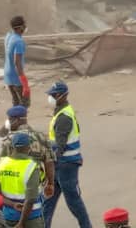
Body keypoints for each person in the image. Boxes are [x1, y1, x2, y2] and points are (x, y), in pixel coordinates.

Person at [43, 81, 92, 228]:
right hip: (61, 163)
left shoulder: (64, 117)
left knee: (73, 201)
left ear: (62, 96)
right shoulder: (61, 112)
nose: (50, 98)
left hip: (66, 164)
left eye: (53, 95)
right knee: (47, 200)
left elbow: (60, 146)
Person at [0, 106, 55, 200]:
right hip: (35, 185)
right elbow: (49, 162)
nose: (8, 122)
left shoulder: (9, 140)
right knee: (36, 211)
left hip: (12, 187)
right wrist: (50, 183)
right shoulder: (41, 137)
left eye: (10, 119)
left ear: (18, 120)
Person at [0, 132, 44, 228]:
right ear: (28, 147)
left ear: (12, 147)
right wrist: (21, 223)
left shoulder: (0, 164)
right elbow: (30, 199)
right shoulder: (31, 166)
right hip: (31, 218)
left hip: (7, 216)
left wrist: (12, 204)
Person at [4, 16, 31, 108]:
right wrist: (25, 83)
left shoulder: (8, 36)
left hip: (8, 75)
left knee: (16, 103)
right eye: (24, 25)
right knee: (24, 105)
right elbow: (17, 62)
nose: (25, 27)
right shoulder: (19, 42)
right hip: (16, 78)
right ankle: (21, 121)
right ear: (20, 28)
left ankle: (14, 121)